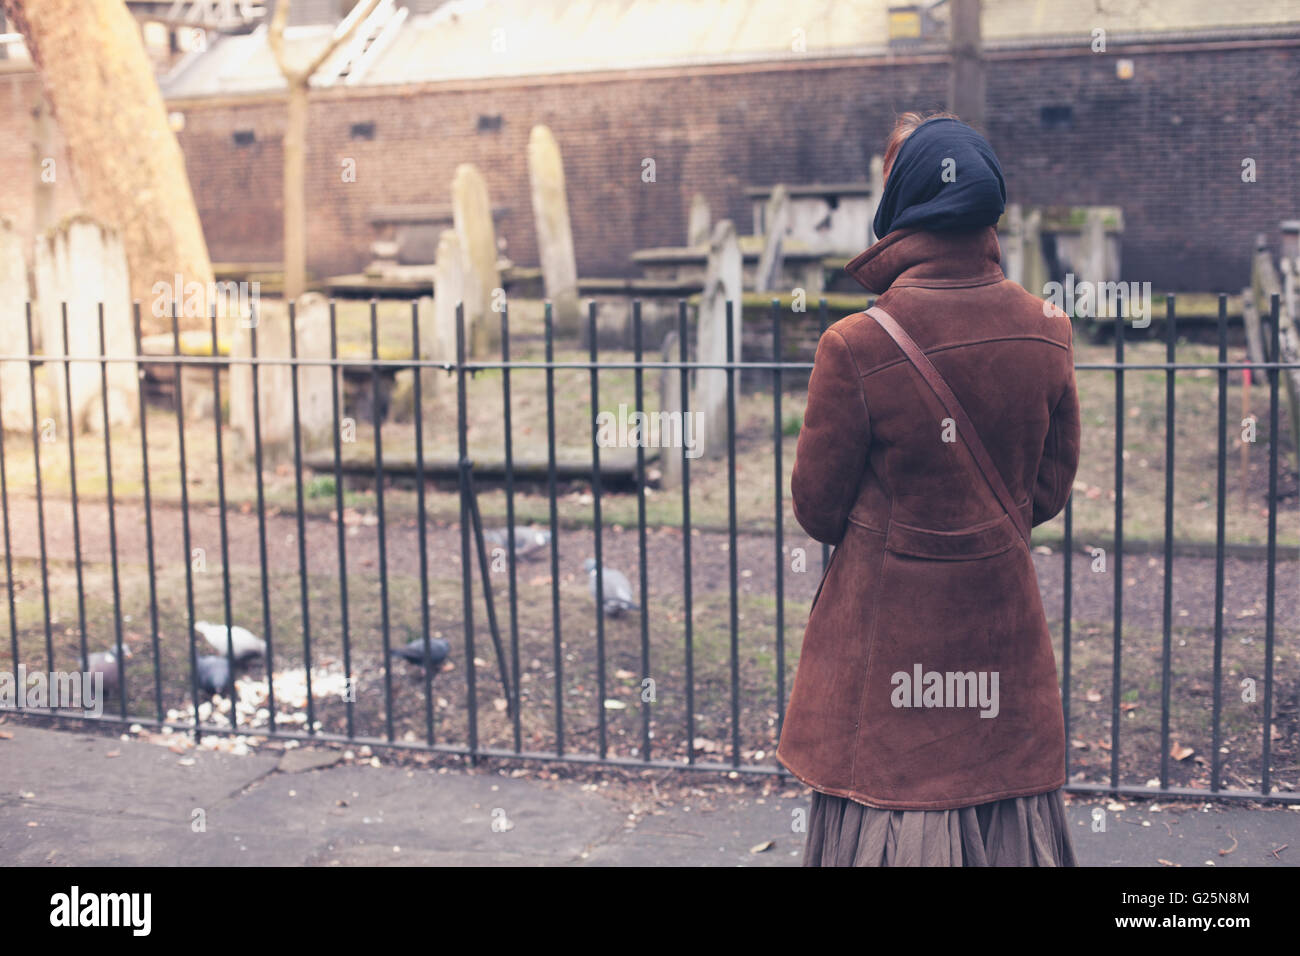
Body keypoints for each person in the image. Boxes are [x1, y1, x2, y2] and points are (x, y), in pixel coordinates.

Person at [777, 111, 1081, 866]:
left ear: (902, 206)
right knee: (995, 793)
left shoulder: (856, 343)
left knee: (895, 802)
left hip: (888, 651)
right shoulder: (1049, 329)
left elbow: (818, 510)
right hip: (1000, 631)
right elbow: (1046, 491)